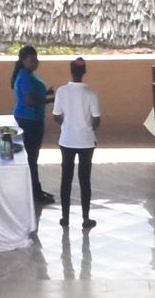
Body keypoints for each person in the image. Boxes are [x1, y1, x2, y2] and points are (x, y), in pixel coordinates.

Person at [53, 58, 100, 222]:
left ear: (70, 70)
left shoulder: (61, 91)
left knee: (66, 178)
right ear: (84, 71)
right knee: (84, 180)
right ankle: (86, 218)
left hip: (67, 140)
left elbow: (56, 116)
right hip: (86, 141)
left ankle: (65, 217)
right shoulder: (91, 93)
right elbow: (96, 120)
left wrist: (66, 123)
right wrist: (88, 129)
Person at [9, 45, 53, 208]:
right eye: (32, 60)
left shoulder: (26, 75)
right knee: (32, 158)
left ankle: (34, 190)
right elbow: (30, 101)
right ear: (23, 60)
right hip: (29, 121)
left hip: (30, 119)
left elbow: (33, 96)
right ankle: (36, 192)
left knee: (32, 158)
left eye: (36, 59)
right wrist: (48, 99)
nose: (36, 62)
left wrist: (45, 94)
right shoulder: (26, 77)